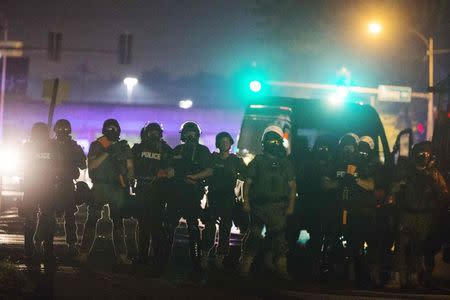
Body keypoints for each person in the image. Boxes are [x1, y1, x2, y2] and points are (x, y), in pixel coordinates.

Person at [385, 141, 448, 288]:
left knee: (418, 247)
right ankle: (397, 277)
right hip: (407, 214)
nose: (423, 157)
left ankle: (414, 277)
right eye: (421, 154)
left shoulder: (434, 174)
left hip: (425, 216)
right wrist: (398, 186)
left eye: (426, 154)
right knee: (401, 245)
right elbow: (393, 191)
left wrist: (433, 182)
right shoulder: (406, 172)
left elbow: (444, 195)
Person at [240, 125, 297, 279]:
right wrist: (246, 202)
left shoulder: (285, 163)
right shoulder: (258, 160)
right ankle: (245, 267)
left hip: (278, 207)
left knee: (279, 239)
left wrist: (291, 206)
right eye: (270, 140)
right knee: (254, 236)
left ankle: (281, 268)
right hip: (258, 206)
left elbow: (292, 186)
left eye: (275, 140)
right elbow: (248, 182)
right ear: (265, 142)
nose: (273, 143)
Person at [77, 119, 134, 265]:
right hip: (100, 187)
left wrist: (129, 178)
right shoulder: (97, 145)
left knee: (118, 222)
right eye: (110, 128)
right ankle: (83, 253)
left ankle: (122, 255)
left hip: (117, 188)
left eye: (115, 128)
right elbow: (92, 166)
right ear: (104, 130)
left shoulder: (124, 147)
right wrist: (107, 153)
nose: (112, 131)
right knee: (92, 220)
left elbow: (130, 167)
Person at [188, 131, 246, 270]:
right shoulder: (213, 158)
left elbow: (246, 178)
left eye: (227, 141)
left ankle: (220, 258)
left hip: (228, 198)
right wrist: (194, 177)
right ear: (218, 144)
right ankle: (204, 257)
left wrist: (244, 198)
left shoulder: (236, 160)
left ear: (231, 143)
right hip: (213, 197)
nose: (224, 143)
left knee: (225, 229)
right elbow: (208, 171)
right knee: (209, 228)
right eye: (222, 141)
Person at [168, 121, 211, 272]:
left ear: (197, 135)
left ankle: (196, 261)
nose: (190, 135)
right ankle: (165, 259)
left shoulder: (203, 151)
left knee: (193, 227)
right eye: (187, 132)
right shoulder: (177, 150)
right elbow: (169, 170)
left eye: (193, 132)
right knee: (169, 226)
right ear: (183, 135)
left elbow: (209, 170)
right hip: (176, 193)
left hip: (193, 194)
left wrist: (194, 177)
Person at [131, 122, 173, 273]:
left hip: (158, 192)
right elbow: (132, 167)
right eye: (151, 132)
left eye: (156, 132)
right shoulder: (138, 148)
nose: (154, 135)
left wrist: (159, 174)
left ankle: (156, 258)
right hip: (142, 190)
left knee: (156, 226)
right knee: (142, 225)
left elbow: (169, 171)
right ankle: (142, 256)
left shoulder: (166, 150)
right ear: (146, 133)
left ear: (160, 134)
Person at [21, 122, 60, 271]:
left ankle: (34, 252)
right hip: (40, 187)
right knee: (43, 219)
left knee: (39, 220)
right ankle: (43, 252)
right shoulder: (50, 147)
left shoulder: (34, 147)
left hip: (39, 187)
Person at [53, 119, 87, 256]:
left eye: (64, 129)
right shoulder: (50, 145)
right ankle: (43, 243)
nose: (62, 132)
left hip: (66, 184)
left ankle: (71, 245)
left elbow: (83, 165)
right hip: (51, 183)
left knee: (69, 216)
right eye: (60, 129)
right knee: (47, 214)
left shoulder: (73, 147)